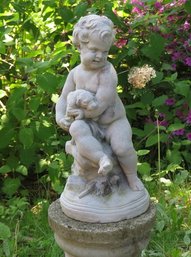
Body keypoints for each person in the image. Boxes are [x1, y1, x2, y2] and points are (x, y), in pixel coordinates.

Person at [56, 14, 143, 190]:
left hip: (112, 122)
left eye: (105, 52)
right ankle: (101, 159)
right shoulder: (75, 74)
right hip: (88, 123)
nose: (100, 56)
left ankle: (132, 177)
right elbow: (64, 98)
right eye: (94, 50)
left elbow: (101, 103)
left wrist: (84, 113)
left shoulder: (107, 72)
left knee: (122, 148)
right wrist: (60, 116)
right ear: (79, 47)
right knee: (76, 128)